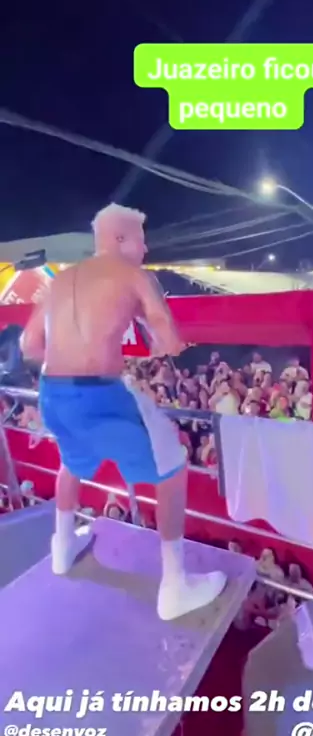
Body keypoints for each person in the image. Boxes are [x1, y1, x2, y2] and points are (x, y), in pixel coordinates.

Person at [20, 203, 226, 620]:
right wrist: (161, 345)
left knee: (71, 460)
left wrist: (70, 362)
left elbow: (29, 345)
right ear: (118, 239)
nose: (145, 248)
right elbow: (169, 341)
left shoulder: (61, 280)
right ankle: (175, 586)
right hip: (100, 393)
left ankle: (62, 547)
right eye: (140, 239)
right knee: (173, 466)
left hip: (52, 392)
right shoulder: (134, 275)